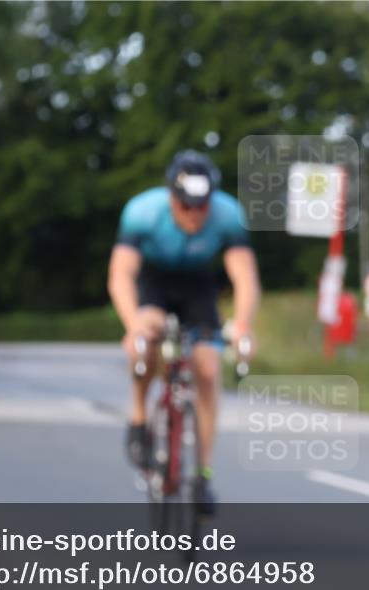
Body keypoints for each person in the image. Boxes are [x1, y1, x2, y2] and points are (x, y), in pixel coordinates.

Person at [107, 150, 260, 516]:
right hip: (155, 284)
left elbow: (244, 276)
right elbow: (121, 275)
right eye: (186, 206)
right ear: (171, 198)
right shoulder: (142, 212)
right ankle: (140, 417)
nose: (194, 214)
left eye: (201, 206)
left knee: (207, 370)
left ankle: (202, 476)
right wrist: (133, 327)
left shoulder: (228, 214)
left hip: (197, 286)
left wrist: (242, 323)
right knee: (146, 342)